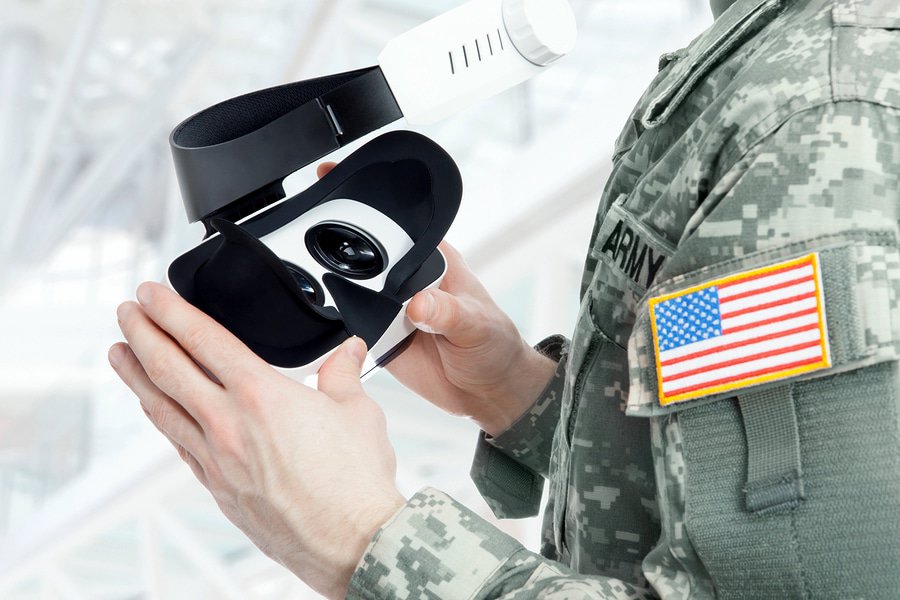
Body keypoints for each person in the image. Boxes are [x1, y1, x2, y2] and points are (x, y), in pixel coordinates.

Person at [109, 0, 900, 597]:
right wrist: (528, 400)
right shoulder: (766, 73)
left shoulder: (819, 112)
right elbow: (744, 426)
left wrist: (365, 540)